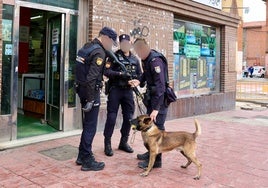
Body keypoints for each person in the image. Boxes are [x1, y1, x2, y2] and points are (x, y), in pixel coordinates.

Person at [75, 27, 117, 171]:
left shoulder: (87, 47)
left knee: (87, 124)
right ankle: (87, 159)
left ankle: (81, 156)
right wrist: (91, 99)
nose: (111, 46)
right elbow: (92, 78)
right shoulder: (99, 52)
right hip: (90, 92)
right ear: (105, 38)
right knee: (90, 126)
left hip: (81, 89)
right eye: (111, 42)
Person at [129, 37, 169, 169]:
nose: (138, 55)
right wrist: (139, 81)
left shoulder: (155, 61)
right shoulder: (146, 59)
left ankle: (157, 160)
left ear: (143, 48)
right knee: (150, 129)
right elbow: (146, 74)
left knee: (157, 130)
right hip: (152, 99)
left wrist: (156, 108)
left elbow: (161, 87)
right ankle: (151, 152)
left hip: (160, 101)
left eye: (138, 51)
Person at [103, 34, 142, 156]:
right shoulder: (114, 56)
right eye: (123, 43)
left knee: (129, 118)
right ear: (120, 44)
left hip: (128, 91)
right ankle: (107, 144)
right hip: (115, 90)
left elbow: (139, 75)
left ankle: (123, 142)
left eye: (127, 43)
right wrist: (120, 74)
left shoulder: (135, 59)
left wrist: (135, 80)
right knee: (111, 118)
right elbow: (106, 71)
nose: (125, 45)